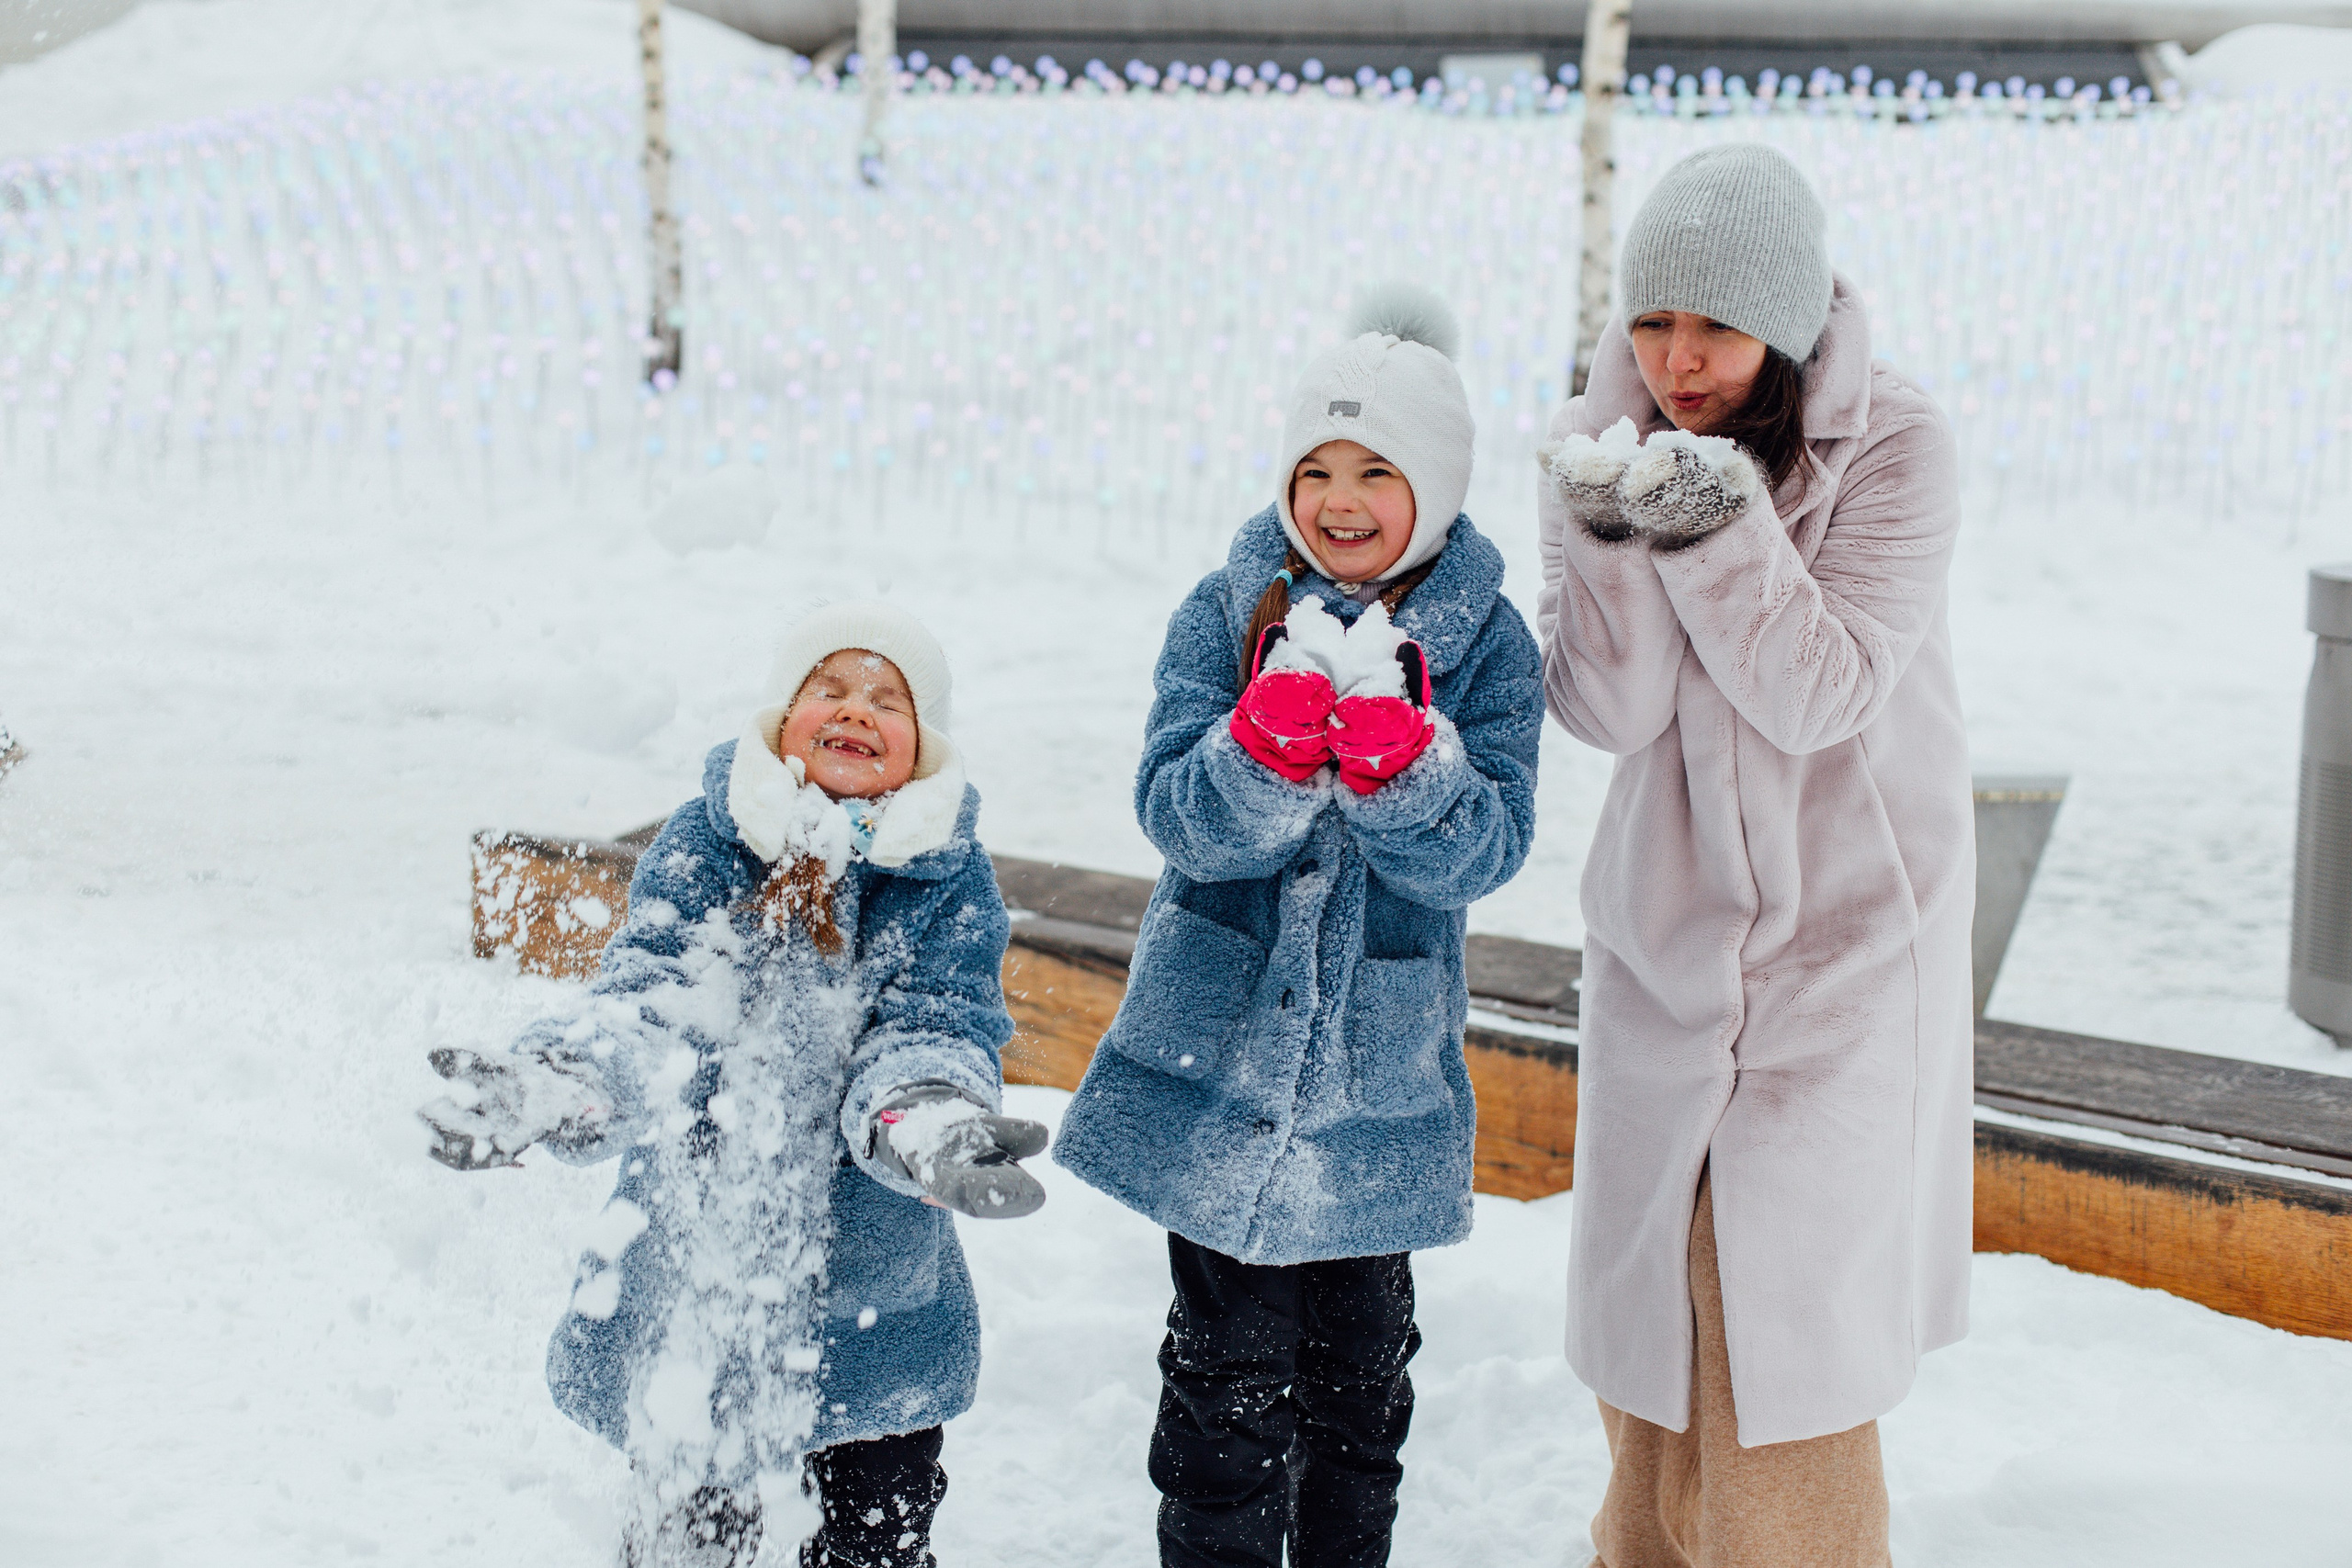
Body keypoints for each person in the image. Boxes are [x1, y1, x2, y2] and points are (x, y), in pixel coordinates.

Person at [1052, 285, 1543, 1568]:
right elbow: (1178, 815)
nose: (1338, 497)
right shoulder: (1225, 614)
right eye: (1314, 466)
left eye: (1376, 469)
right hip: (1221, 1064)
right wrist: (1258, 754)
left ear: (1432, 485)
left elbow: (1486, 848)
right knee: (1222, 1389)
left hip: (1376, 1090)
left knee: (1359, 1391)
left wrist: (1408, 772)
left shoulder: (1489, 647)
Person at [1536, 144, 1973, 1567]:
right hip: (1667, 927)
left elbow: (1819, 691)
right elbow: (1610, 705)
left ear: (1781, 323)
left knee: (1783, 1323)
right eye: (1652, 322)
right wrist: (1613, 520)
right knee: (1653, 1301)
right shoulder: (1604, 430)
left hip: (1850, 932)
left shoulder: (1896, 442)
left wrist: (1701, 514)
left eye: (1713, 329)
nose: (1677, 361)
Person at [417, 603, 1047, 1568]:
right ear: (782, 718)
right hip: (697, 1274)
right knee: (689, 1534)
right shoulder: (713, 844)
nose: (855, 711)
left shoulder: (942, 880)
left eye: (888, 700)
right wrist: (561, 1078)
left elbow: (935, 1025)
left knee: (875, 1532)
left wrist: (927, 1124)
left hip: (866, 1284)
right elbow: (652, 1004)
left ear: (922, 747)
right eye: (827, 689)